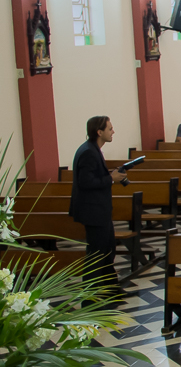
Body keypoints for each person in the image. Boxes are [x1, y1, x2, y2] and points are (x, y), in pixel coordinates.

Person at [70, 116, 126, 302]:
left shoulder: (92, 149)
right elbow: (86, 182)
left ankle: (111, 289)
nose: (113, 131)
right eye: (110, 128)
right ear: (99, 132)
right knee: (96, 254)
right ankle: (89, 298)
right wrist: (111, 179)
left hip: (99, 211)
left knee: (107, 249)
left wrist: (111, 175)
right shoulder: (88, 152)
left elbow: (92, 176)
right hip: (93, 212)